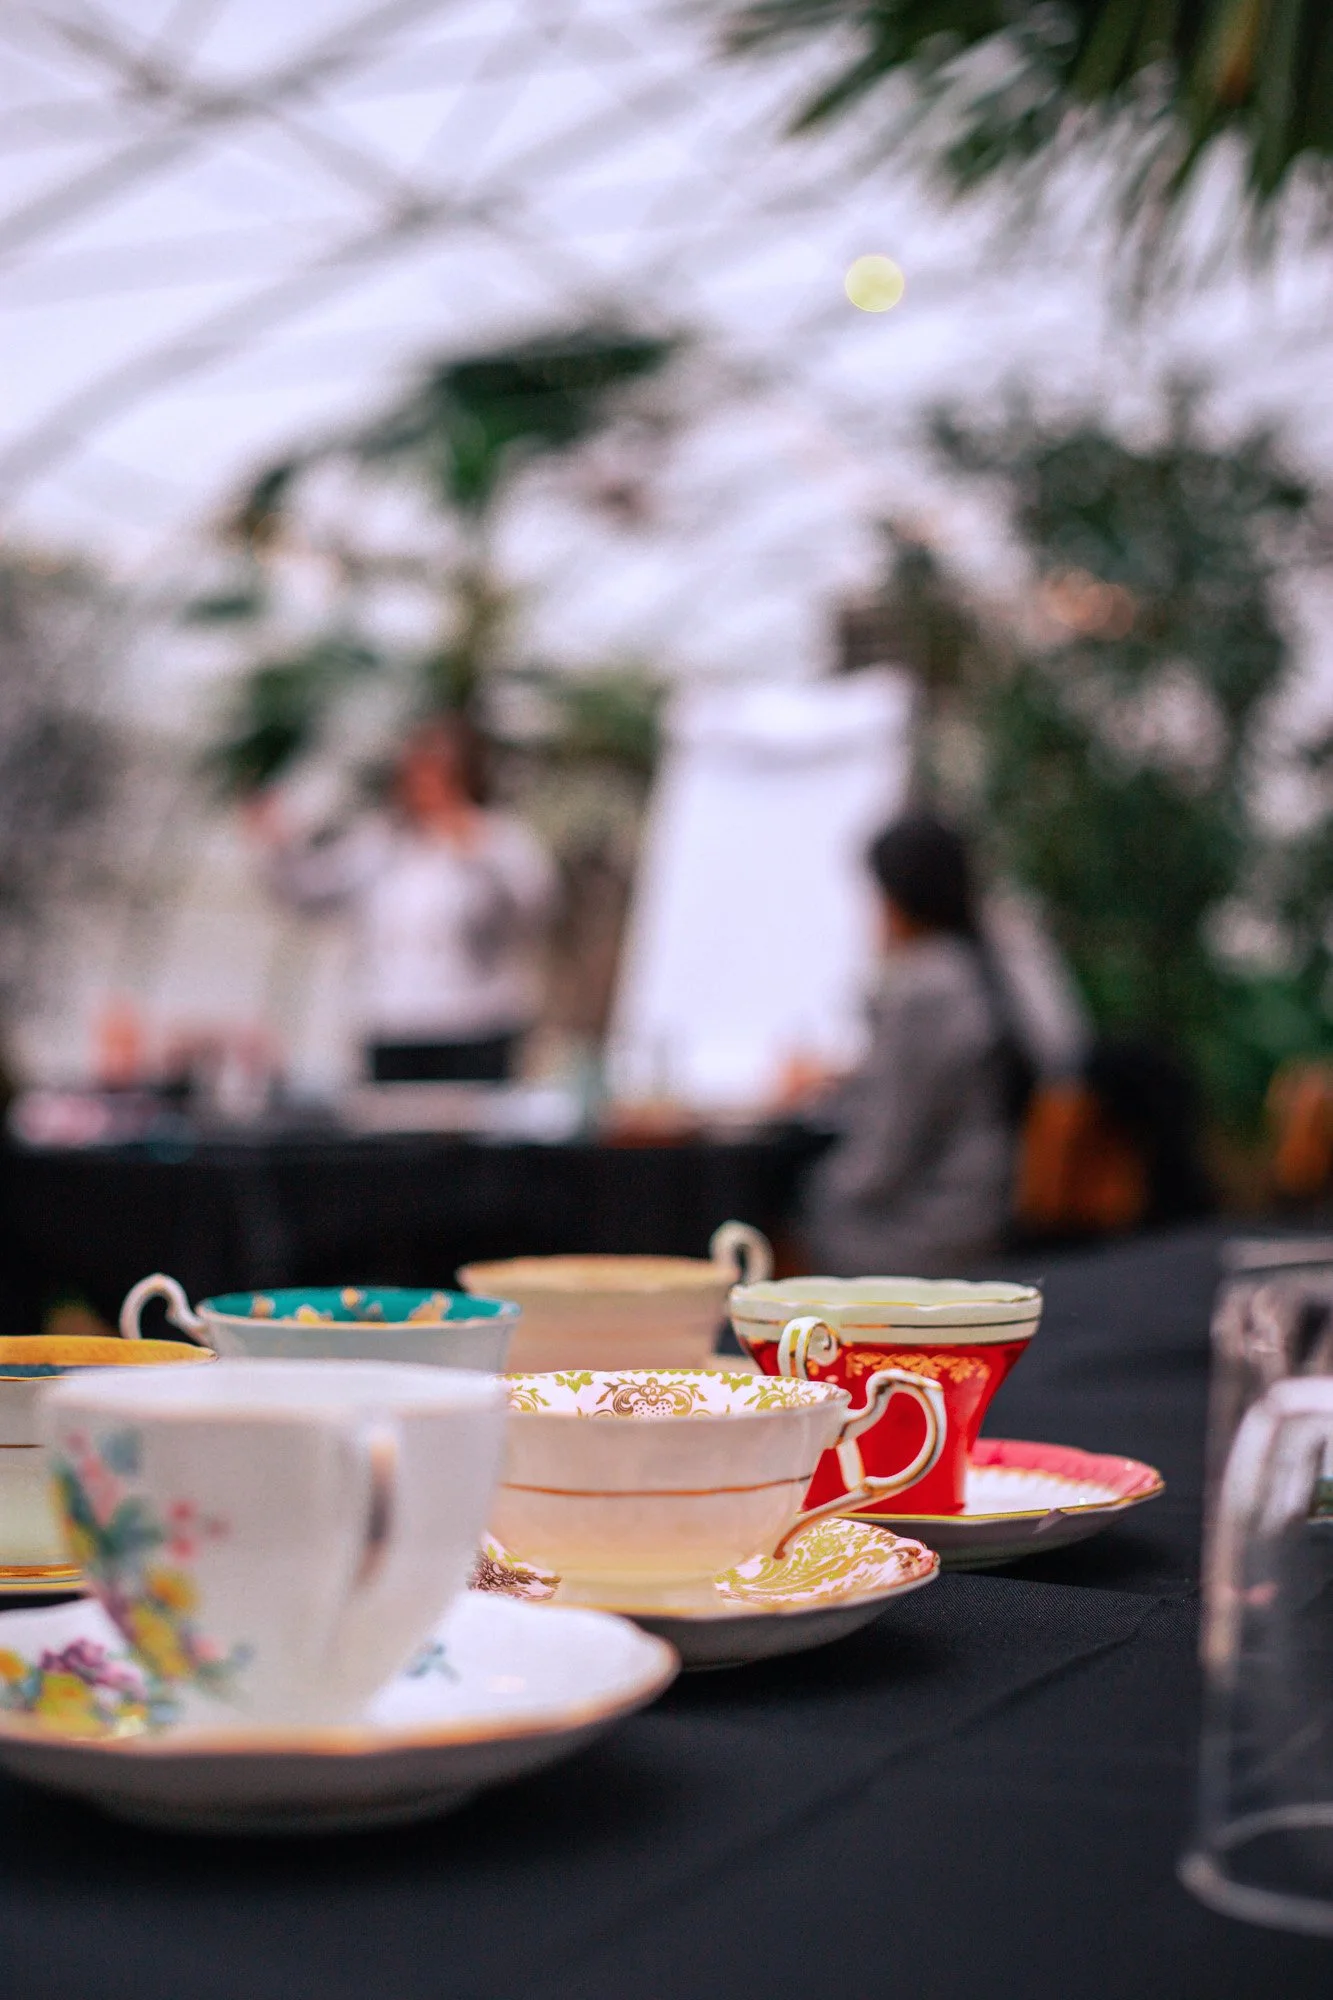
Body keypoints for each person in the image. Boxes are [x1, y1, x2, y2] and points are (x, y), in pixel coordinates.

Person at [251, 717, 557, 1083]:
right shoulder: (380, 841)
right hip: (392, 1021)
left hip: (474, 1021)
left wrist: (478, 851)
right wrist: (279, 849)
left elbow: (536, 909)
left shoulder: (498, 838)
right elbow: (311, 893)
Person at [801, 813, 1028, 1276]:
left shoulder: (924, 989)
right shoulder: (984, 965)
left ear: (896, 899)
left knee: (802, 1213)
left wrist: (811, 1185)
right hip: (989, 1200)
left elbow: (882, 1158)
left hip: (939, 1224)